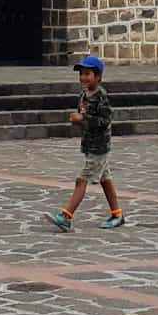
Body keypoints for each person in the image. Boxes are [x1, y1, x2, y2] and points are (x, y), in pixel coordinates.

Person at [45, 55, 124, 232]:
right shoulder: (84, 94)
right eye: (81, 74)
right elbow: (85, 116)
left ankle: (66, 216)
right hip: (90, 144)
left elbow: (105, 120)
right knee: (105, 179)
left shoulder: (101, 96)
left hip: (99, 147)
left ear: (98, 77)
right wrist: (79, 119)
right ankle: (117, 214)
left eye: (87, 73)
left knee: (82, 180)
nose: (83, 78)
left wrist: (83, 118)